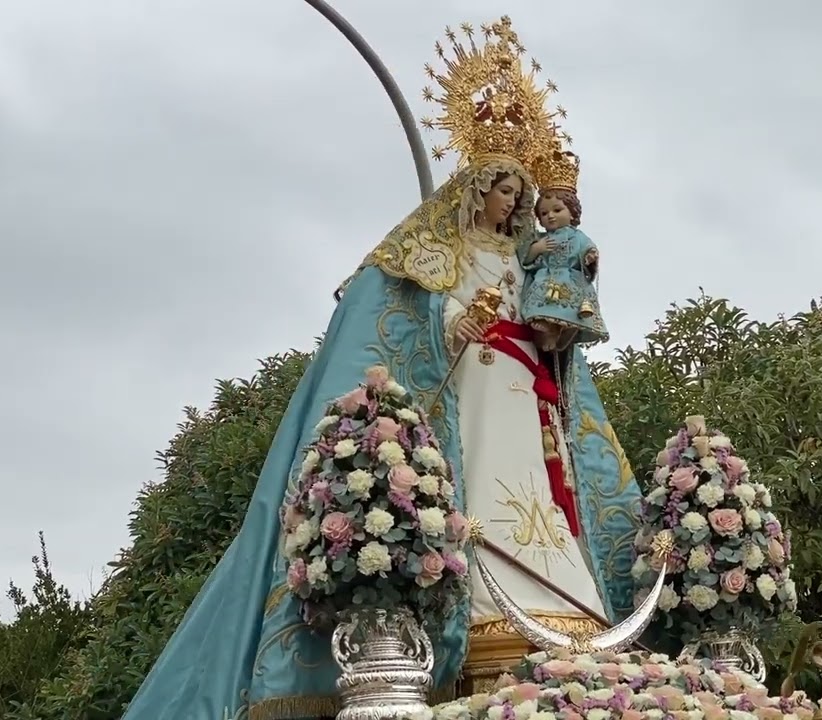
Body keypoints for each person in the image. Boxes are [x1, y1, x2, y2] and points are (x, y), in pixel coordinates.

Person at [120, 18, 641, 720]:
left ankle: (562, 597)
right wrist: (461, 327)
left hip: (524, 395)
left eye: (521, 195)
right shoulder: (432, 260)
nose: (513, 204)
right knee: (481, 482)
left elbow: (555, 322)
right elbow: (408, 345)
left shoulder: (528, 261)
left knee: (536, 492)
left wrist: (562, 326)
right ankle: (475, 610)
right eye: (503, 190)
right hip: (473, 390)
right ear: (475, 188)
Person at [516, 150, 609, 352]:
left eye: (557, 210)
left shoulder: (577, 236)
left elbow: (587, 250)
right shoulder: (541, 238)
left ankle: (564, 332)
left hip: (570, 280)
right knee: (542, 303)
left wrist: (590, 257)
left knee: (573, 311)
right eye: (544, 213)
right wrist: (537, 249)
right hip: (547, 279)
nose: (550, 216)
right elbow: (526, 258)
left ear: (572, 211)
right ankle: (549, 333)